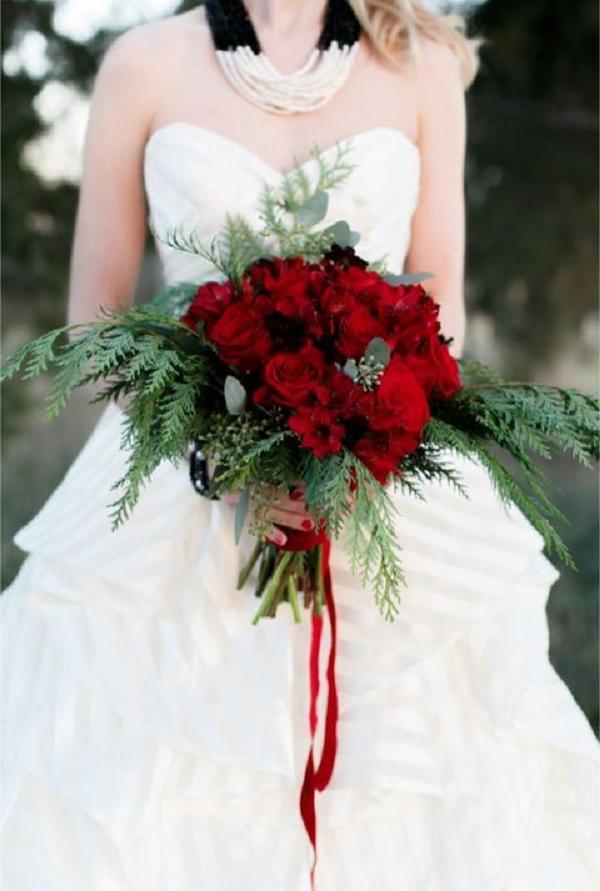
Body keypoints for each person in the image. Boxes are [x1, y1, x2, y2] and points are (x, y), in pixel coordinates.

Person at [2, 2, 598, 889]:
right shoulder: (143, 62)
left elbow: (447, 300)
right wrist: (218, 458)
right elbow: (96, 324)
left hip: (377, 483)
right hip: (176, 492)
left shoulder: (422, 65)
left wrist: (371, 431)